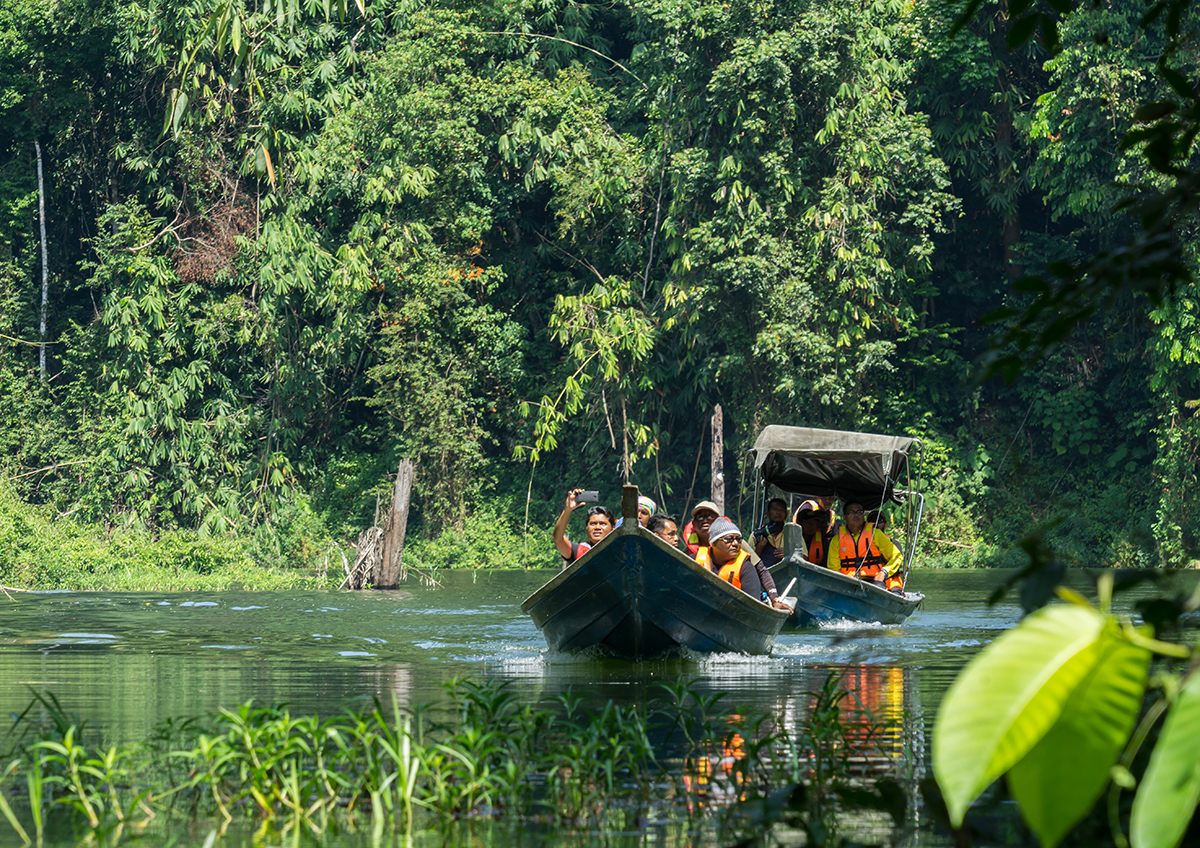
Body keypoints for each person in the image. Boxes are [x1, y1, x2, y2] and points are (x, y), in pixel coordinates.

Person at [698, 518, 793, 610]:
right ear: (713, 542)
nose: (735, 543)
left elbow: (762, 570)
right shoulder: (695, 557)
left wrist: (775, 599)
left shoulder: (745, 562)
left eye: (738, 539)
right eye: (728, 539)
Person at [826, 501, 904, 592]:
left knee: (879, 589)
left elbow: (896, 556)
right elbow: (833, 568)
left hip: (874, 580)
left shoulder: (876, 534)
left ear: (863, 516)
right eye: (851, 512)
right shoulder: (836, 540)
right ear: (845, 518)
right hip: (848, 582)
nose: (856, 515)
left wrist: (883, 573)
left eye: (859, 512)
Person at [553, 488, 615, 568]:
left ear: (612, 528)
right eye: (593, 524)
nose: (597, 527)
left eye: (603, 524)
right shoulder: (577, 551)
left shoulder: (621, 550)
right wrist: (567, 509)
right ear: (586, 528)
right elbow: (558, 539)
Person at [752, 498, 788, 567]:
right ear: (767, 514)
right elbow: (747, 563)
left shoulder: (792, 534)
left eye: (782, 510)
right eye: (775, 509)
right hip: (763, 576)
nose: (778, 512)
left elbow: (805, 559)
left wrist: (790, 555)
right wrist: (758, 549)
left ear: (786, 515)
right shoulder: (756, 535)